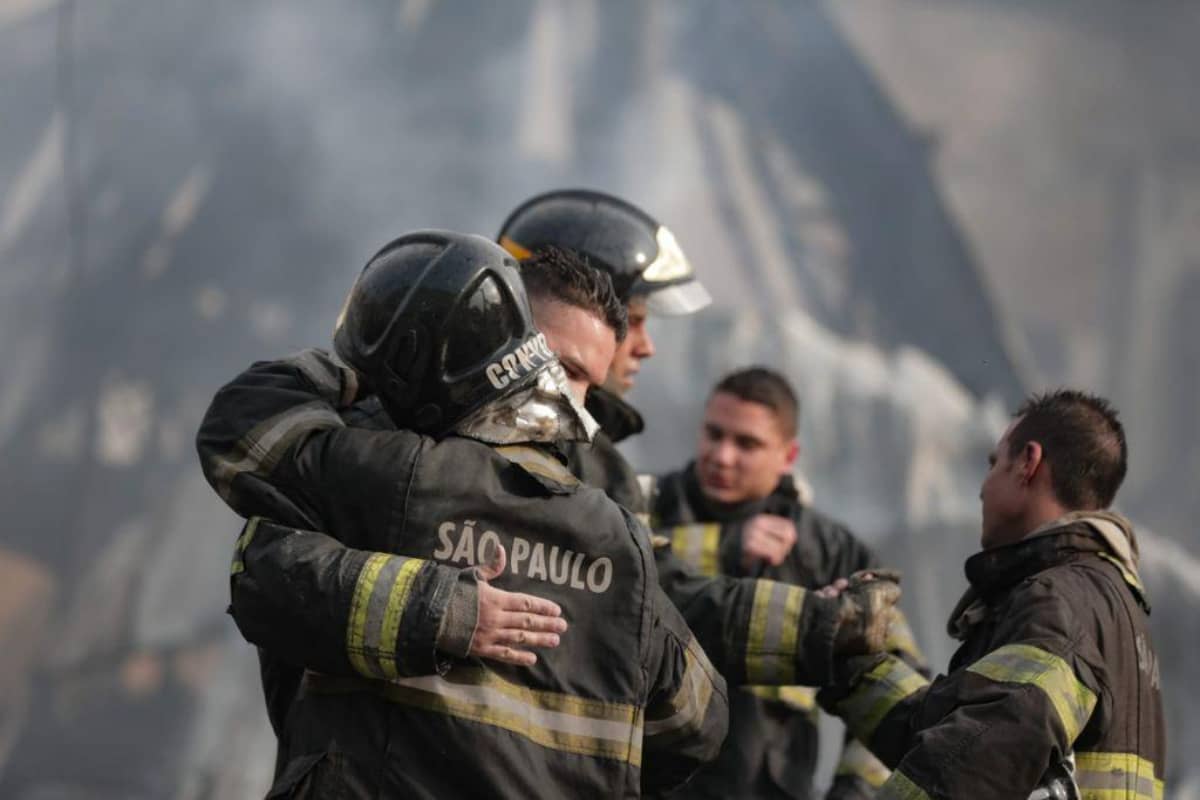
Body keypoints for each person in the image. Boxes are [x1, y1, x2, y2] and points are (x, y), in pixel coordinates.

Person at [196, 232, 730, 797]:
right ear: (508, 344)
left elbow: (261, 564)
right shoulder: (616, 538)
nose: (574, 405)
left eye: (586, 386)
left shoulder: (398, 474)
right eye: (563, 369)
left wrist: (364, 366)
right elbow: (697, 721)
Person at [819, 390, 1167, 799]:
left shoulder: (1057, 601)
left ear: (1027, 463)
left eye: (993, 463)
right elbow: (954, 733)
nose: (983, 488)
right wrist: (853, 663)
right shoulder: (1112, 609)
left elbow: (968, 768)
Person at [648, 367, 925, 799]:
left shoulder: (829, 551)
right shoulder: (643, 506)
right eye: (713, 434)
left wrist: (855, 790)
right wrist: (724, 546)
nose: (722, 456)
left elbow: (902, 682)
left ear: (788, 456)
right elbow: (616, 563)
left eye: (747, 444)